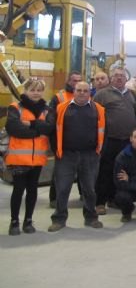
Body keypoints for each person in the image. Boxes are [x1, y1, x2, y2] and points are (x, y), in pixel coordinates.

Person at [48, 82, 105, 232]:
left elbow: (104, 130)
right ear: (74, 91)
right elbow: (53, 131)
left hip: (90, 155)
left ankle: (91, 217)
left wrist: (98, 151)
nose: (82, 93)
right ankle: (59, 219)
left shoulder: (98, 109)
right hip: (66, 155)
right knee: (62, 189)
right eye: (79, 90)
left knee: (90, 190)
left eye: (85, 91)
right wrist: (57, 150)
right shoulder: (61, 108)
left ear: (90, 93)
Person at [5, 79, 54, 235]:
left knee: (32, 190)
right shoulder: (15, 108)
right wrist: (38, 131)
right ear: (25, 90)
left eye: (39, 90)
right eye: (32, 89)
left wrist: (30, 124)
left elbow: (50, 127)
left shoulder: (47, 110)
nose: (36, 93)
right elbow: (14, 129)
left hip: (37, 159)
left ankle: (28, 221)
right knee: (18, 190)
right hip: (19, 159)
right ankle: (14, 222)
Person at [93, 66, 136, 215]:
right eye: (116, 76)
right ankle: (100, 202)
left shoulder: (131, 95)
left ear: (126, 79)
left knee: (120, 171)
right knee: (105, 171)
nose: (119, 78)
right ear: (111, 78)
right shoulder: (102, 95)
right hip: (109, 140)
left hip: (127, 141)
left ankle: (113, 199)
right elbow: (94, 116)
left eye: (122, 76)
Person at [48, 70, 83, 208]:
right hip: (63, 143)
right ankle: (54, 199)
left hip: (80, 142)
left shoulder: (85, 96)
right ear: (68, 82)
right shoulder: (59, 97)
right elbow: (51, 122)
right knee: (60, 173)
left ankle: (83, 195)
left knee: (83, 171)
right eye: (74, 80)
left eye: (79, 80)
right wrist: (55, 144)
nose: (77, 83)